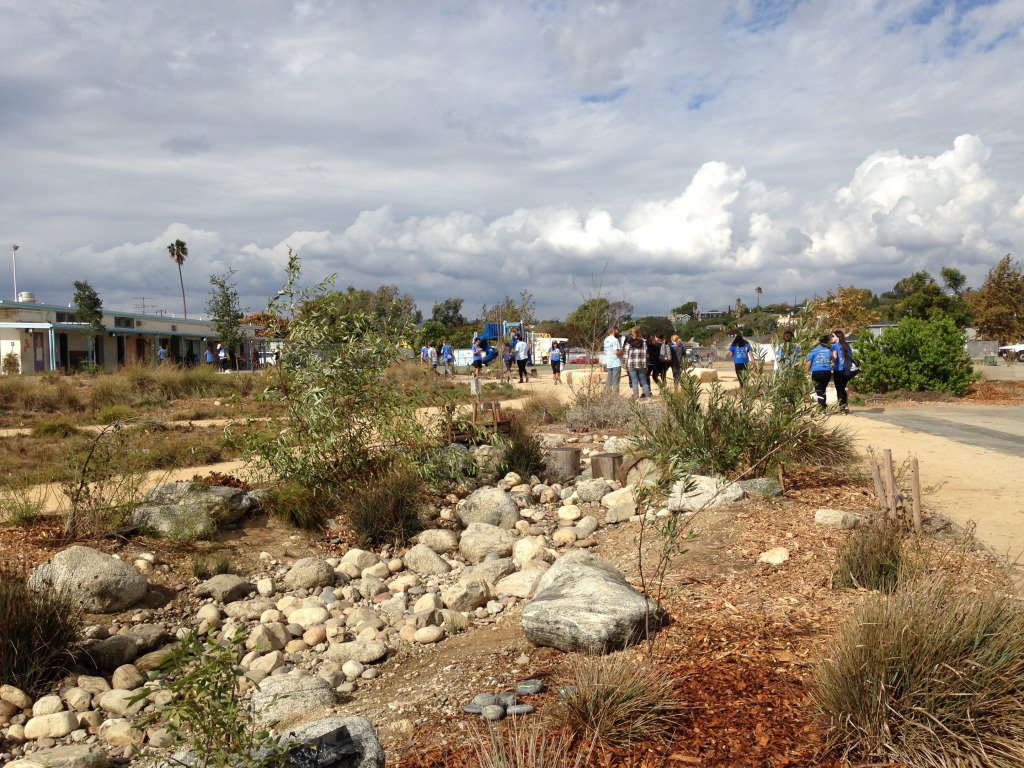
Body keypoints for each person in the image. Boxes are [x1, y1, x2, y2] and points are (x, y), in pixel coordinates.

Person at [805, 335, 833, 410]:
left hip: (817, 372)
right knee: (823, 389)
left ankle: (821, 406)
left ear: (818, 341)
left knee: (819, 390)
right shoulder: (829, 350)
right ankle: (823, 405)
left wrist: (805, 372)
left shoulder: (814, 350)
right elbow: (832, 359)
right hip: (827, 372)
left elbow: (808, 364)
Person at [624, 326, 652, 399]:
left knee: (634, 381)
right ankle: (648, 397)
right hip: (642, 364)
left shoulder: (629, 343)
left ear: (631, 334)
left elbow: (626, 355)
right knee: (644, 381)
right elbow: (647, 355)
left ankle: (636, 398)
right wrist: (646, 364)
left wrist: (625, 365)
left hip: (631, 365)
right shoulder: (644, 342)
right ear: (639, 333)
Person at [831, 329, 855, 414]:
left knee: (839, 389)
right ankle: (845, 406)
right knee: (843, 388)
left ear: (838, 337)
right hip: (846, 370)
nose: (831, 337)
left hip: (838, 370)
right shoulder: (846, 346)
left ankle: (842, 408)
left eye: (833, 336)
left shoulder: (834, 346)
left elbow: (834, 358)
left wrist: (832, 360)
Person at [603, 325, 623, 392]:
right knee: (616, 381)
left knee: (609, 380)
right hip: (616, 363)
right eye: (618, 330)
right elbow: (616, 352)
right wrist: (622, 353)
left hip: (609, 363)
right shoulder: (615, 340)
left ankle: (609, 396)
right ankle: (615, 398)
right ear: (614, 330)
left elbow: (605, 352)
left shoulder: (606, 339)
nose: (618, 331)